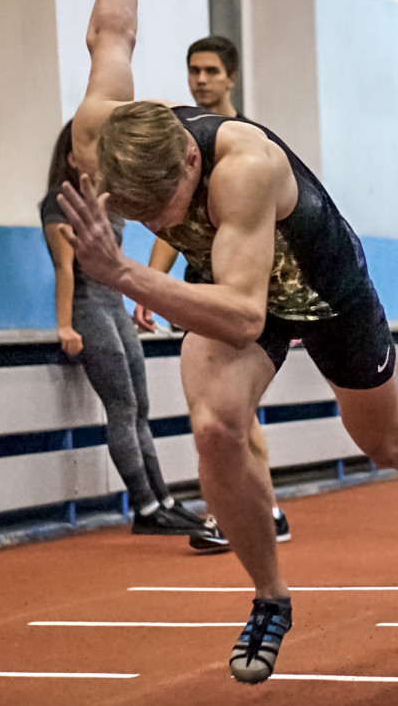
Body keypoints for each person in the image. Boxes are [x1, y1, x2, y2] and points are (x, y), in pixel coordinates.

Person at [55, 0, 398, 685]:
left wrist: (127, 274)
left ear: (186, 160)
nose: (158, 226)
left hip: (325, 290)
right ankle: (271, 595)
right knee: (214, 426)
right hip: (240, 292)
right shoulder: (100, 129)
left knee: (383, 442)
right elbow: (111, 35)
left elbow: (245, 310)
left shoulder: (242, 166)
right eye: (138, 218)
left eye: (163, 214)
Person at [133, 35, 291, 549]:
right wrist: (150, 287)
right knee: (213, 411)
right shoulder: (176, 140)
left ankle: (250, 509)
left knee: (234, 412)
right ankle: (253, 507)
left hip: (250, 288)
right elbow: (171, 224)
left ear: (231, 78)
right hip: (202, 289)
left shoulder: (247, 145)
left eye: (210, 71)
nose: (200, 79)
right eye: (193, 70)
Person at [40, 122, 219, 544]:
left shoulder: (109, 203)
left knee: (140, 406)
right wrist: (64, 324)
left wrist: (139, 299)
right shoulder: (59, 204)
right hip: (88, 308)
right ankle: (145, 506)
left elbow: (116, 263)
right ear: (70, 158)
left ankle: (164, 501)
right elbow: (66, 268)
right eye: (91, 150)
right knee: (122, 407)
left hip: (114, 305)